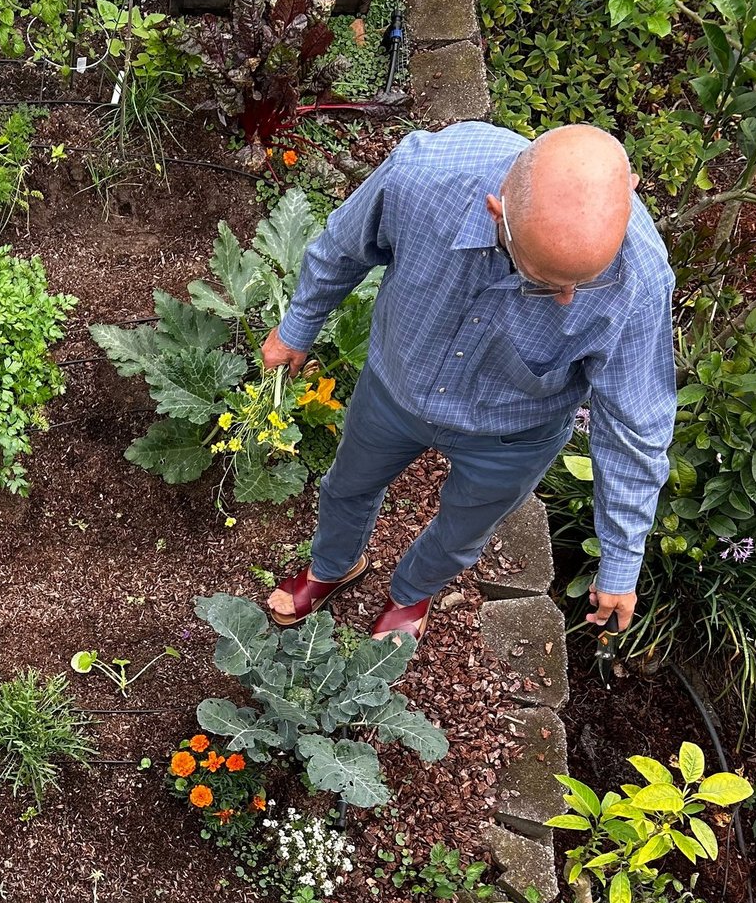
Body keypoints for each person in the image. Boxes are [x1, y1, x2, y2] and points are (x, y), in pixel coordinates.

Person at [260, 121, 676, 644]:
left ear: (630, 189)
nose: (570, 299)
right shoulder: (425, 175)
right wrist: (298, 328)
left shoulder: (642, 278)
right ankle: (334, 565)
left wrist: (620, 561)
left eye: (584, 282)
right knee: (347, 486)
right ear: (498, 212)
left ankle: (411, 594)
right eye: (547, 283)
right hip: (396, 388)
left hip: (513, 433)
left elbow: (634, 425)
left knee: (462, 534)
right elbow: (343, 248)